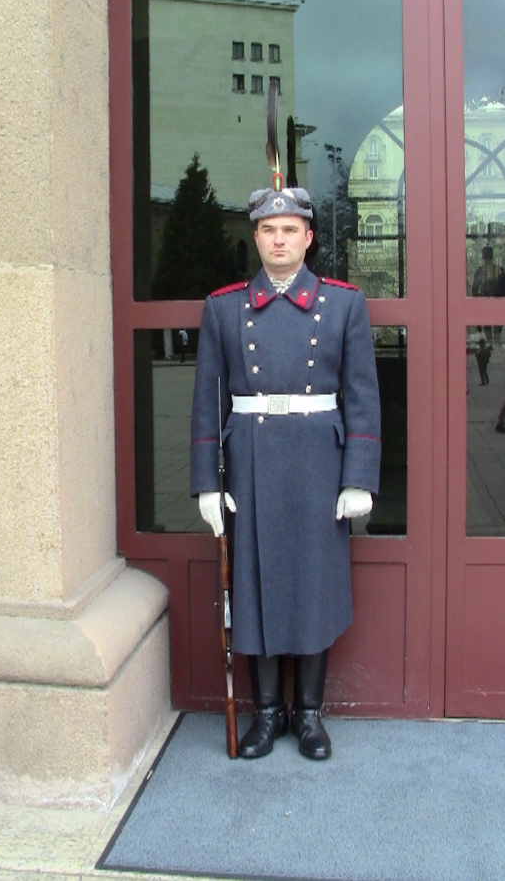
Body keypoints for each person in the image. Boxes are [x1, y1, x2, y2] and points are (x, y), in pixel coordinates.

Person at [190, 185, 381, 760]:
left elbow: (362, 398)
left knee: (313, 586)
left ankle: (310, 716)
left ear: (308, 237)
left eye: (290, 229)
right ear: (256, 237)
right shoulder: (224, 308)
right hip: (249, 459)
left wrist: (359, 477)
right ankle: (267, 715)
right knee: (254, 586)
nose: (279, 239)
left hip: (319, 460)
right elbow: (207, 399)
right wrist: (206, 481)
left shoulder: (344, 304)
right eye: (269, 230)